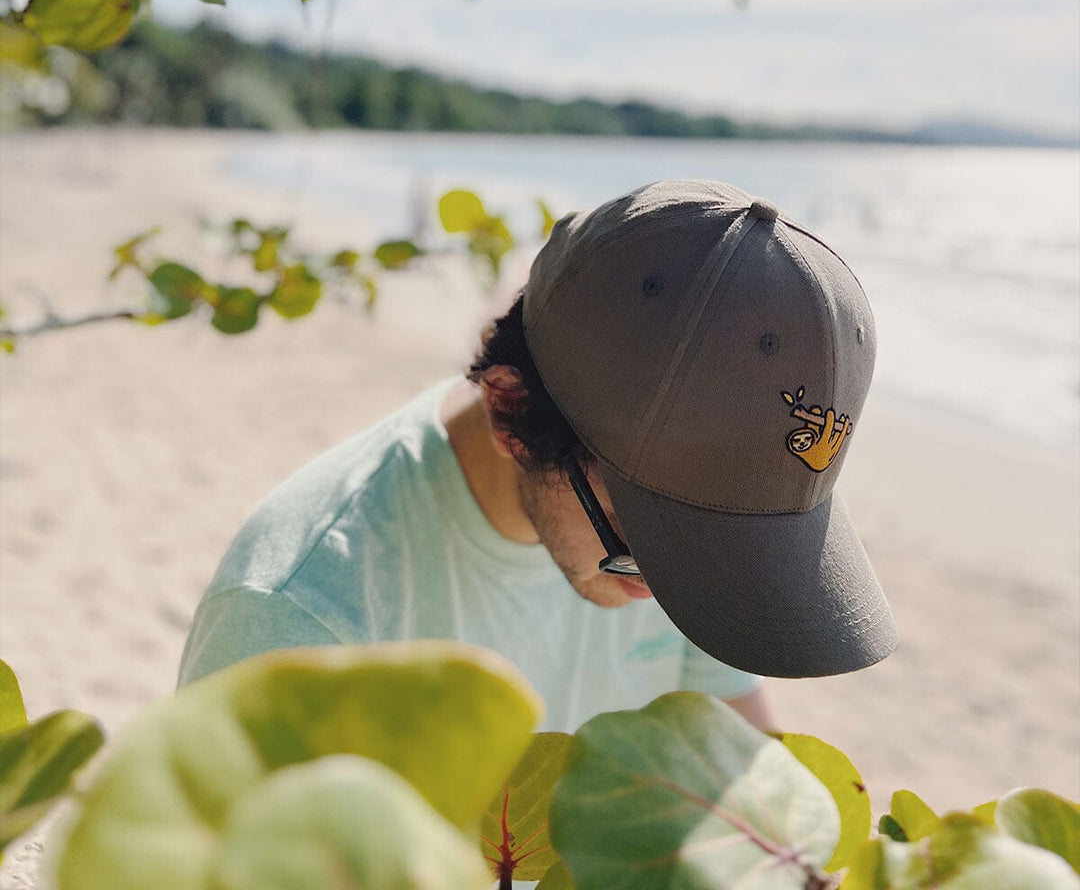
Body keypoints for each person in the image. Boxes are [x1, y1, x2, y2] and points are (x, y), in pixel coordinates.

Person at [178, 180, 898, 735]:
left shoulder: (685, 539)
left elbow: (752, 784)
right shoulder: (299, 622)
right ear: (512, 413)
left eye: (734, 546)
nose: (671, 590)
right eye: (655, 542)